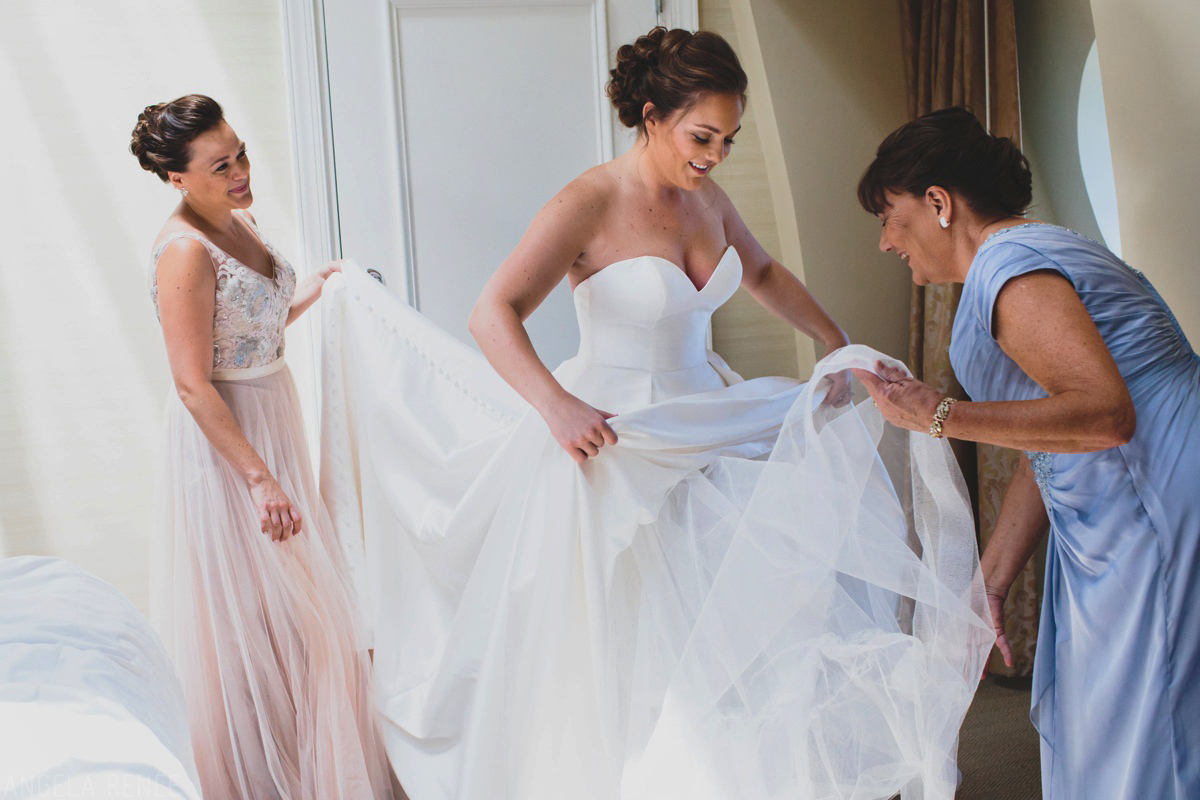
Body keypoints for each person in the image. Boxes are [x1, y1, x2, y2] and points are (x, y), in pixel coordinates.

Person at [320, 28, 992, 800]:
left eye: (728, 139)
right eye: (702, 136)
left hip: (705, 418)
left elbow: (764, 272)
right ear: (650, 115)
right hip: (616, 438)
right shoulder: (588, 201)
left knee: (727, 626)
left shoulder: (708, 197)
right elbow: (492, 312)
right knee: (628, 643)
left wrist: (837, 347)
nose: (714, 155)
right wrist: (556, 405)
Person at [855, 106, 1200, 800]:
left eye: (889, 217)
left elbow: (1103, 416)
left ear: (939, 203)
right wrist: (991, 580)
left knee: (1150, 720)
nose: (887, 242)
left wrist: (940, 416)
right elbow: (1052, 438)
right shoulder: (1029, 251)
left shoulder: (1009, 265)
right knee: (1119, 715)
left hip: (1152, 498)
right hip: (1119, 504)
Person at [131, 94, 394, 799]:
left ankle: (316, 766)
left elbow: (258, 321)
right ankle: (262, 780)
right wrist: (257, 478)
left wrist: (324, 285)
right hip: (229, 442)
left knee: (300, 618)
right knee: (258, 621)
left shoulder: (237, 220)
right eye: (221, 165)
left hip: (273, 412)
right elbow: (191, 384)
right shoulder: (184, 250)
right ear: (177, 178)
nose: (242, 171)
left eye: (240, 152)